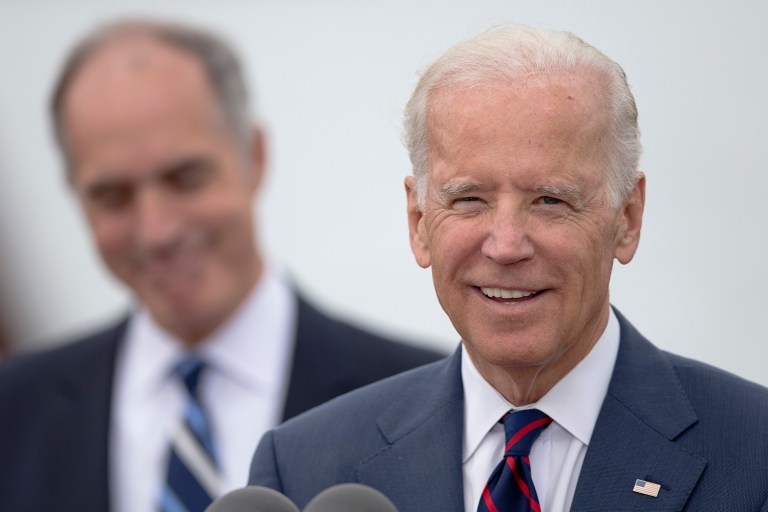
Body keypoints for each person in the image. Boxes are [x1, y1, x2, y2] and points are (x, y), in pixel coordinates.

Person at [247, 24, 768, 511]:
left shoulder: (754, 454)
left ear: (627, 219)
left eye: (550, 200)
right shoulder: (304, 468)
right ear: (419, 222)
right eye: (469, 199)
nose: (505, 246)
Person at [0, 19, 443, 512]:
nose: (157, 230)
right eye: (113, 196)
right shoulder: (13, 412)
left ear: (253, 157)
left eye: (185, 178)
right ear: (77, 200)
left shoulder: (428, 400)